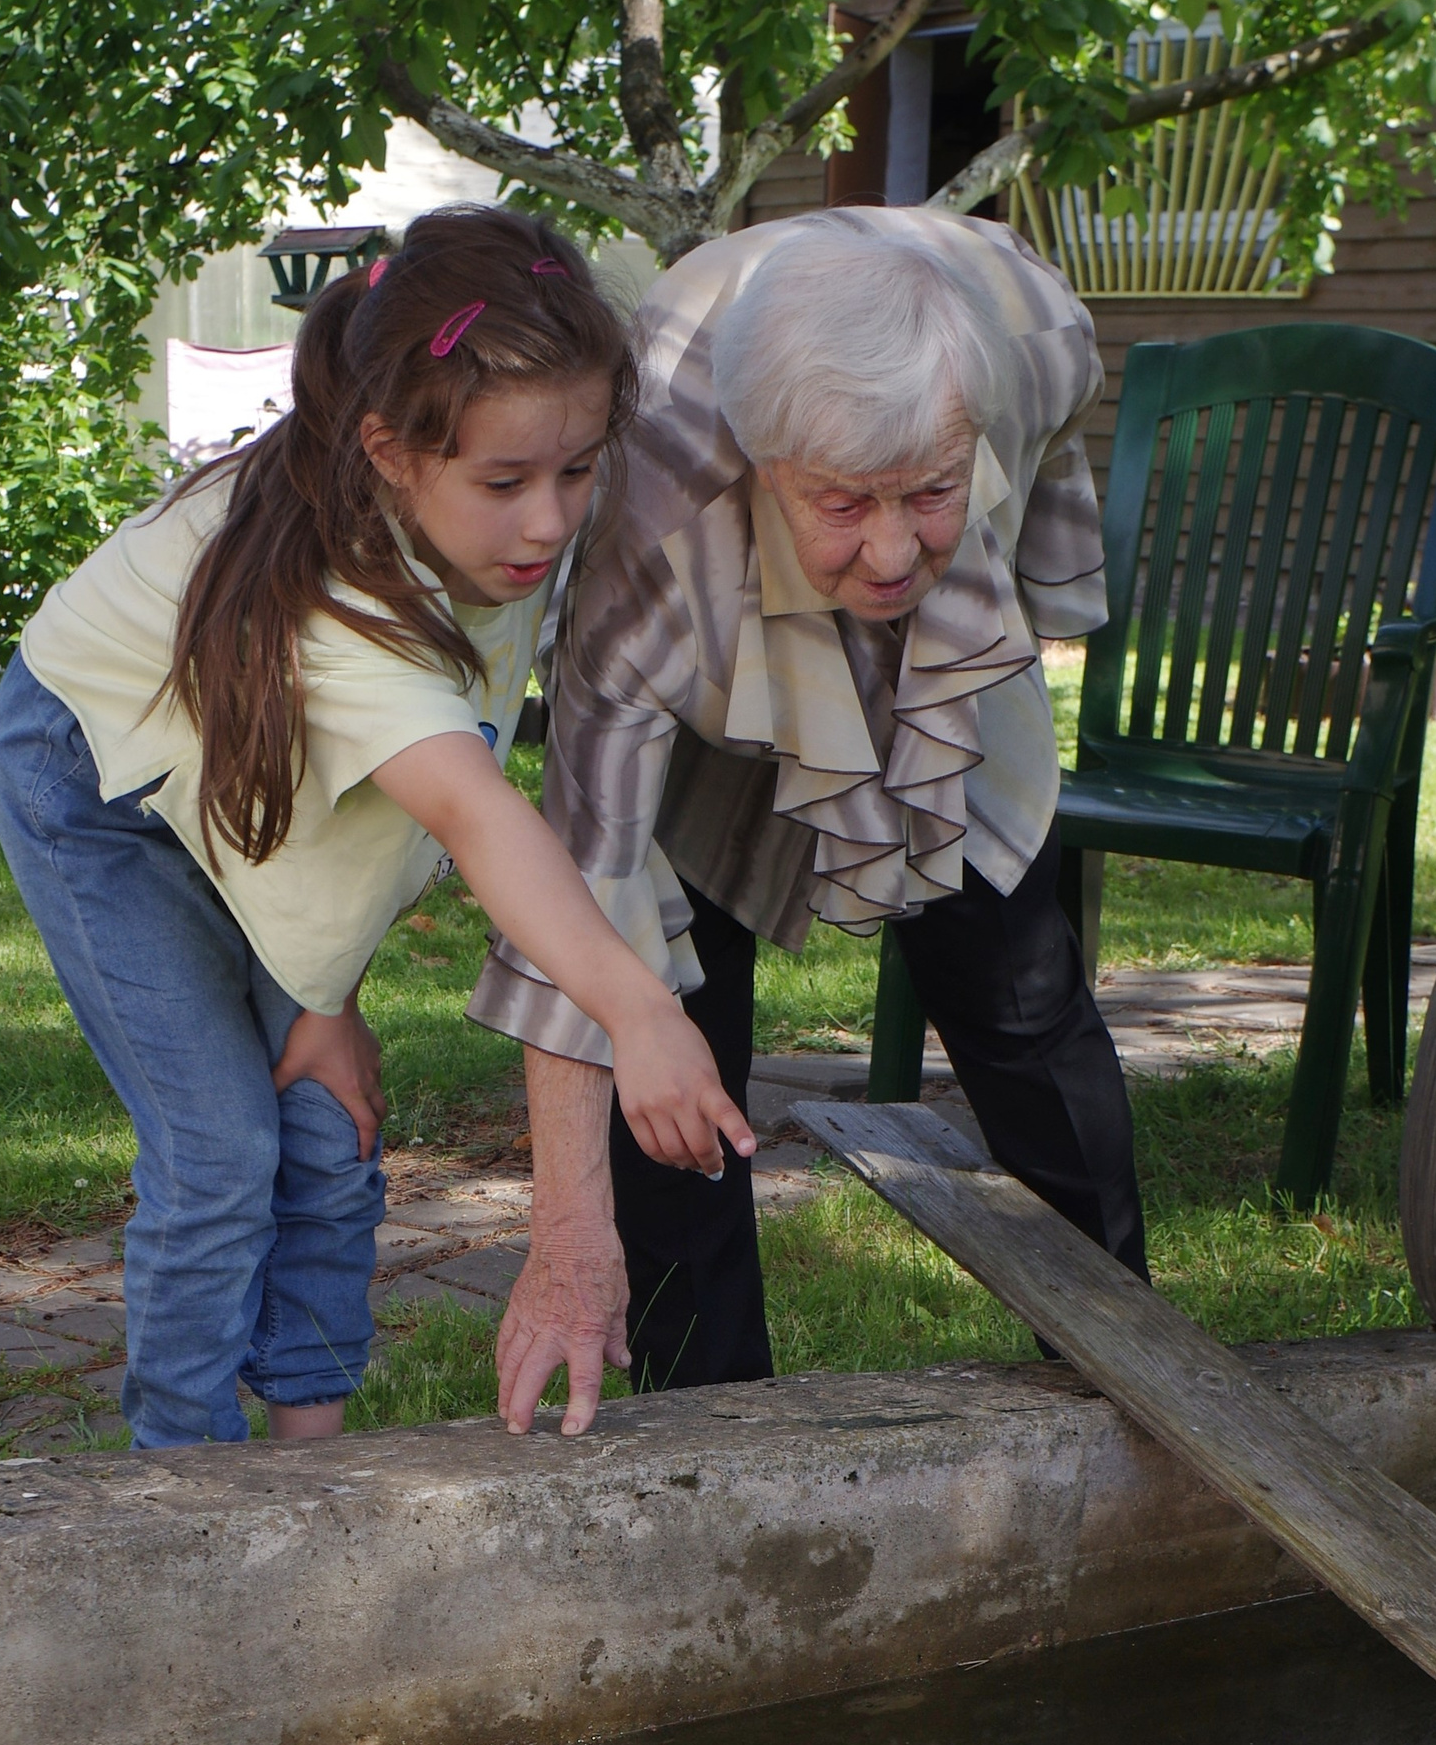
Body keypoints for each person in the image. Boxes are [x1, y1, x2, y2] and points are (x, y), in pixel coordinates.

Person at [0, 204, 753, 1450]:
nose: (551, 522)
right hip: (97, 784)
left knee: (327, 1138)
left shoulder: (480, 525)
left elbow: (321, 810)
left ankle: (314, 1463)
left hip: (258, 783)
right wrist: (638, 1009)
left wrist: (322, 992)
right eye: (504, 483)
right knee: (224, 1154)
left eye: (576, 469)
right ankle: (177, 1485)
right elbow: (479, 817)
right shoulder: (344, 601)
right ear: (390, 451)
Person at [471, 203, 1147, 1432]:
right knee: (672, 1024)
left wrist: (985, 609)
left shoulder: (1033, 332)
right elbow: (578, 890)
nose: (893, 552)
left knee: (1016, 986)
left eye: (929, 492)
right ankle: (708, 1416)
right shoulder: (650, 532)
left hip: (934, 666)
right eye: (846, 504)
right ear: (764, 462)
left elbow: (1037, 509)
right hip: (709, 667)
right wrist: (567, 1237)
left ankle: (1133, 1356)